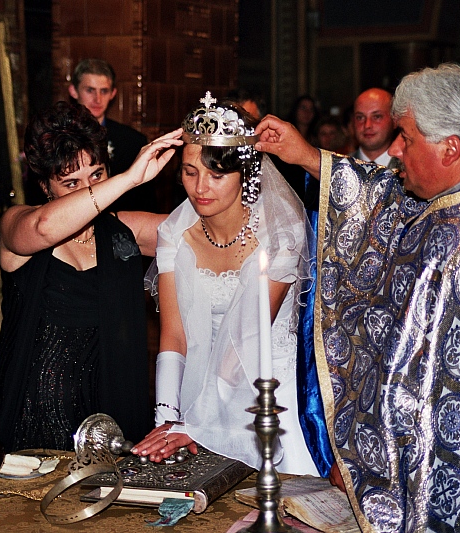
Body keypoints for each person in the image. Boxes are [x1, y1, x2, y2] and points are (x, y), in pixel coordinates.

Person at [256, 64, 460, 531]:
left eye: (404, 136)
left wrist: (370, 460)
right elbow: (394, 201)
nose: (394, 150)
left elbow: (440, 391)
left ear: (451, 147)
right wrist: (308, 157)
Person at [0, 101, 182, 452]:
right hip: (28, 415)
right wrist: (129, 179)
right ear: (45, 186)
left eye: (97, 175)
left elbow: (202, 233)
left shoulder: (122, 230)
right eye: (71, 182)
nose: (89, 191)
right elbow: (45, 226)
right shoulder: (19, 223)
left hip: (105, 418)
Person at [131, 94, 319, 475]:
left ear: (246, 175)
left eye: (217, 175)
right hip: (199, 384)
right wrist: (167, 415)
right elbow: (173, 335)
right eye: (189, 171)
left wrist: (197, 422)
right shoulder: (174, 233)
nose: (201, 187)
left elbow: (247, 340)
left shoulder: (281, 234)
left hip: (265, 389)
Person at [69, 58, 157, 212]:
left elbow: (145, 202)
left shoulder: (133, 141)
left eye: (104, 91)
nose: (98, 99)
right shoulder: (57, 138)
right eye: (90, 90)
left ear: (113, 93)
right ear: (73, 91)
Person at [350, 88, 399, 169]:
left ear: (395, 120)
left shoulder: (409, 169)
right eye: (360, 117)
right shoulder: (338, 167)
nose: (367, 125)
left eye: (377, 117)